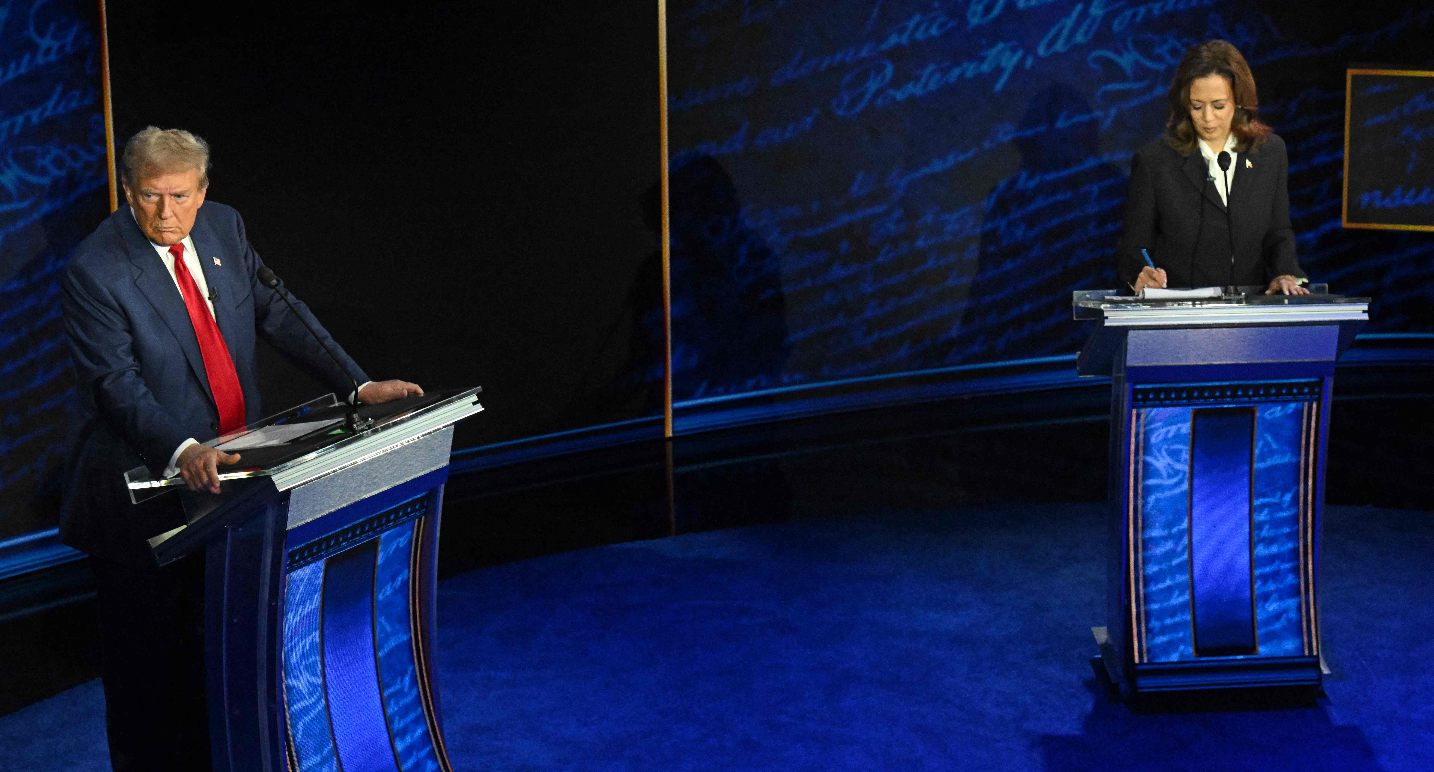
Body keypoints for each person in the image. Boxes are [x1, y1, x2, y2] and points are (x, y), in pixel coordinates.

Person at [59, 126, 422, 771]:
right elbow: (116, 386)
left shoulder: (225, 229)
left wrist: (358, 384)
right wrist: (183, 447)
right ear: (127, 192)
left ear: (203, 191)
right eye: (148, 197)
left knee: (218, 658)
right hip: (141, 499)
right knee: (148, 678)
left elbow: (281, 312)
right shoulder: (96, 269)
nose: (165, 214)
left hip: (233, 488)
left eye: (178, 196)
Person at [1116, 40, 1310, 296]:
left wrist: (1284, 274)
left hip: (1248, 316)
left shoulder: (1269, 153)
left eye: (1218, 105)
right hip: (1179, 317)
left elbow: (1278, 231)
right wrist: (1141, 273)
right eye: (1197, 106)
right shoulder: (1155, 161)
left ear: (1239, 101)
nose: (1207, 118)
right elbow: (1133, 248)